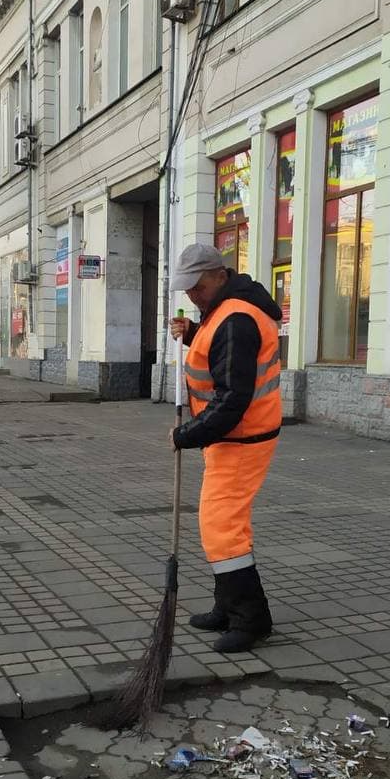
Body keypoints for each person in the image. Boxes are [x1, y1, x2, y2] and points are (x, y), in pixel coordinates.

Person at [168, 242, 283, 653]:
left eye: (196, 287)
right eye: (187, 289)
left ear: (219, 275)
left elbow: (233, 397)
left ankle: (250, 621)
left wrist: (188, 434)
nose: (191, 296)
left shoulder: (236, 318)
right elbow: (225, 360)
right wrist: (196, 333)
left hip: (241, 439)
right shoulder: (224, 312)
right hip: (231, 439)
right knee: (223, 526)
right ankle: (227, 605)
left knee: (222, 530)